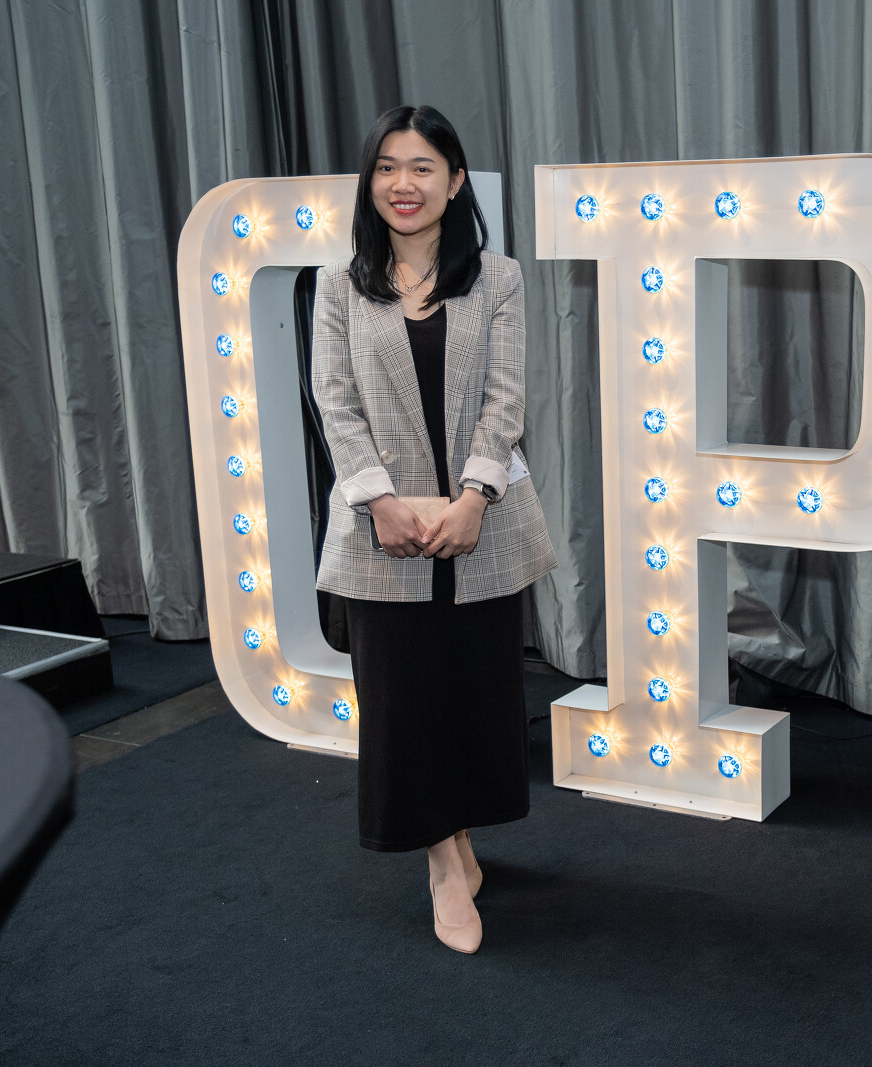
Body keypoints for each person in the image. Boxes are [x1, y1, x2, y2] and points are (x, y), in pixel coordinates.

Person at [311, 104, 557, 954]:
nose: (402, 183)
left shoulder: (499, 279)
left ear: (455, 181)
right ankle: (445, 863)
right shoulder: (340, 286)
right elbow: (335, 404)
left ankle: (463, 835)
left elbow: (506, 399)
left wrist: (475, 497)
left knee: (473, 699)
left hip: (476, 527)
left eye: (421, 167)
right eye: (386, 166)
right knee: (402, 707)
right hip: (381, 532)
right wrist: (380, 501)